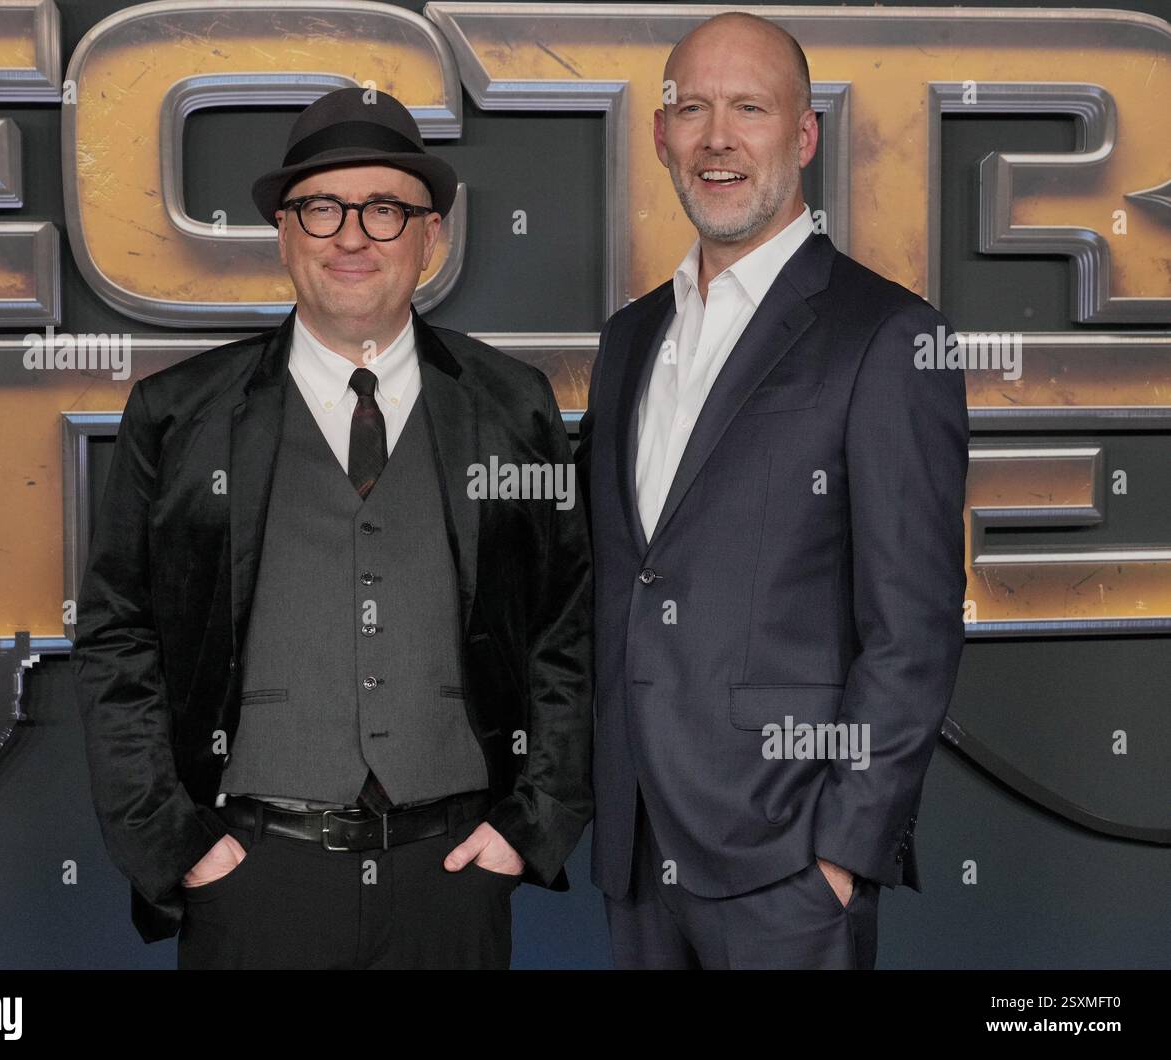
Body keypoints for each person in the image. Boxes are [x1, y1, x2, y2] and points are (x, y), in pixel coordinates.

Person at [74, 87, 593, 969]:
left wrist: (532, 826)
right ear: (284, 232)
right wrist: (176, 845)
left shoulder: (514, 406)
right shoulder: (178, 415)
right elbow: (118, 638)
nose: (352, 236)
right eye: (322, 208)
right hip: (253, 880)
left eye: (386, 210)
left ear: (431, 237)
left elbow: (567, 630)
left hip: (452, 878)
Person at [575, 12, 969, 969]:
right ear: (662, 135)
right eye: (693, 108)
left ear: (802, 136)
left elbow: (914, 627)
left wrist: (843, 853)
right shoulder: (630, 339)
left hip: (789, 863)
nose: (717, 137)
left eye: (749, 107)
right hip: (636, 848)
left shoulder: (886, 337)